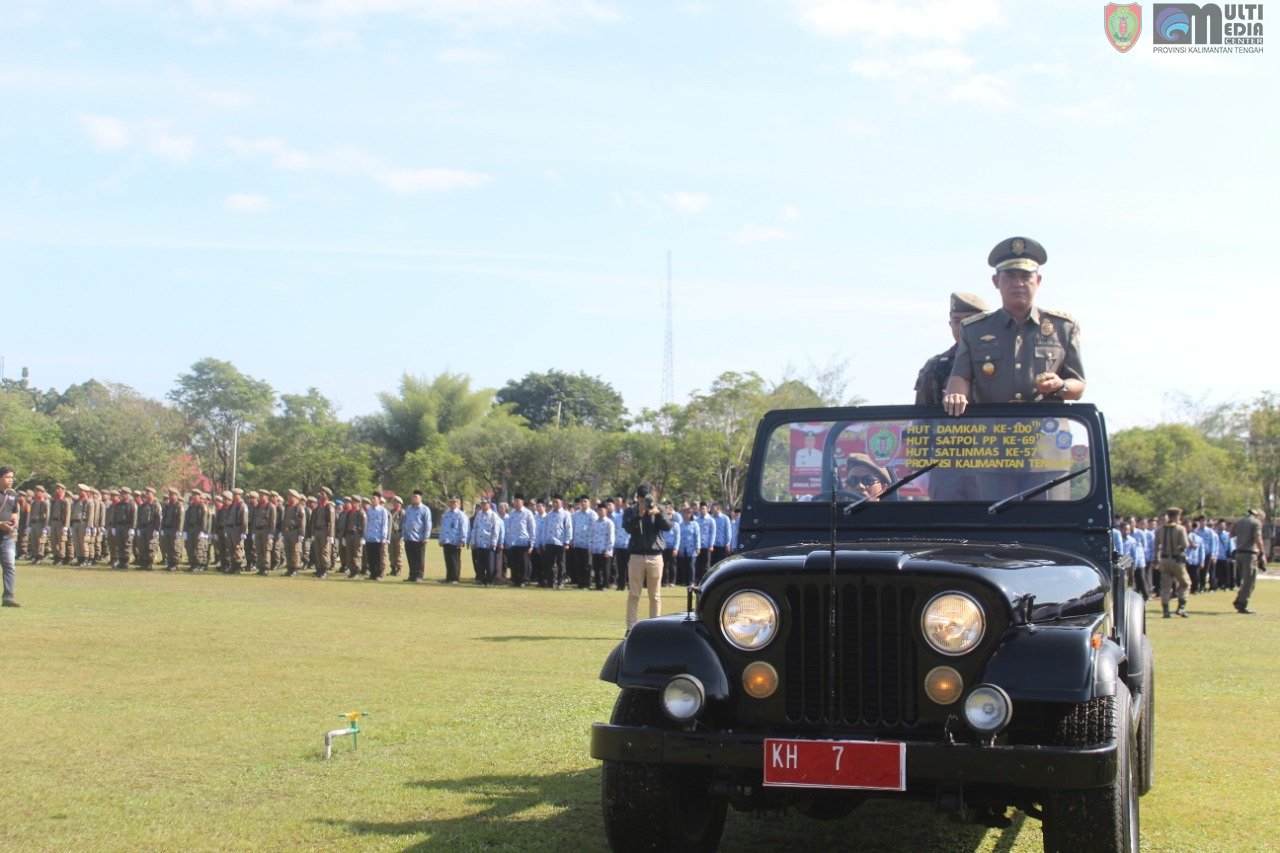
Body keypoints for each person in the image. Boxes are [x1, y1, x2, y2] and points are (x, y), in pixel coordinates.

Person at [943, 237, 1085, 417]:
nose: (1018, 283)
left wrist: (1061, 386)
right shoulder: (974, 330)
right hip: (993, 434)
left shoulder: (1063, 327)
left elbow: (1078, 385)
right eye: (1009, 276)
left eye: (1026, 276)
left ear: (1038, 280)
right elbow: (960, 377)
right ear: (995, 281)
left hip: (1046, 434)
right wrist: (956, 395)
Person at [914, 291, 989, 405]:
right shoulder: (935, 366)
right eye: (957, 321)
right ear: (950, 324)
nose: (962, 327)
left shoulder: (1002, 361)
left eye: (969, 320)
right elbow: (922, 418)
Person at [622, 484, 673, 631]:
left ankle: (654, 627)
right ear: (637, 498)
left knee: (655, 595)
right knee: (633, 595)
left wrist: (658, 514)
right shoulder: (630, 511)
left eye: (648, 498)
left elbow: (668, 527)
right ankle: (630, 628)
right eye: (642, 499)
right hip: (636, 556)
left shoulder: (659, 509)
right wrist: (639, 514)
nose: (645, 501)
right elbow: (627, 528)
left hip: (655, 557)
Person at [1154, 507, 1191, 619]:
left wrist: (1157, 559)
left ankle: (1166, 611)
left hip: (1164, 561)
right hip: (1177, 560)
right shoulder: (1180, 529)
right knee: (1185, 583)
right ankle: (1181, 607)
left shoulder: (1159, 529)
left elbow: (1156, 546)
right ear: (1176, 516)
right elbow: (1185, 545)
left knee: (1166, 586)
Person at [1231, 509, 1267, 614]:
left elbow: (1231, 535)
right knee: (1250, 581)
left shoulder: (1239, 521)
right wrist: (1262, 553)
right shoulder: (1256, 523)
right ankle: (1242, 603)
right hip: (1249, 554)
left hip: (1238, 553)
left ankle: (1239, 600)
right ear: (1259, 516)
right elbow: (1258, 538)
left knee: (1245, 580)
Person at [401, 491, 433, 583]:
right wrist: (404, 534)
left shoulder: (425, 509)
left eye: (415, 497)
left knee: (419, 558)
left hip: (419, 538)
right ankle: (412, 575)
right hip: (409, 538)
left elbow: (428, 524)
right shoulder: (409, 509)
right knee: (410, 558)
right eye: (412, 497)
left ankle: (419, 576)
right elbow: (405, 522)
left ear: (420, 498)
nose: (413, 498)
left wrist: (426, 537)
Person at [1, 467, 20, 607]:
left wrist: (14, 521)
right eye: (8, 477)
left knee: (9, 566)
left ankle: (8, 597)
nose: (11, 479)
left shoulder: (13, 494)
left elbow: (14, 511)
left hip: (7, 537)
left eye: (12, 477)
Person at [438, 497, 468, 584]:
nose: (452, 504)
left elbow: (464, 529)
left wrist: (462, 540)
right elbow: (443, 527)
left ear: (458, 504)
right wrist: (441, 539)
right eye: (451, 503)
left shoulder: (461, 515)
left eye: (454, 503)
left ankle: (455, 578)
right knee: (448, 559)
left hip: (455, 541)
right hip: (447, 540)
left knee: (455, 560)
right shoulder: (446, 514)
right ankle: (448, 577)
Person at [362, 494, 390, 580]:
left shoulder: (383, 511)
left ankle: (378, 574)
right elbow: (367, 524)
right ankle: (372, 574)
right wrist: (365, 536)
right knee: (370, 557)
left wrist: (384, 537)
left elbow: (384, 524)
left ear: (378, 500)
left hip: (378, 537)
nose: (372, 500)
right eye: (372, 498)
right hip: (369, 537)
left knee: (378, 557)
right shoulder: (369, 510)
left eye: (374, 498)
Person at [589, 502, 616, 590]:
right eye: (598, 510)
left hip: (605, 550)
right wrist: (591, 548)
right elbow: (591, 536)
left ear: (606, 511)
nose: (600, 512)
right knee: (597, 568)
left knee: (605, 569)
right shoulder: (595, 523)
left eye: (601, 510)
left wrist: (608, 549)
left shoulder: (609, 523)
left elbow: (611, 537)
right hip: (596, 549)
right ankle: (598, 585)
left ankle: (606, 585)